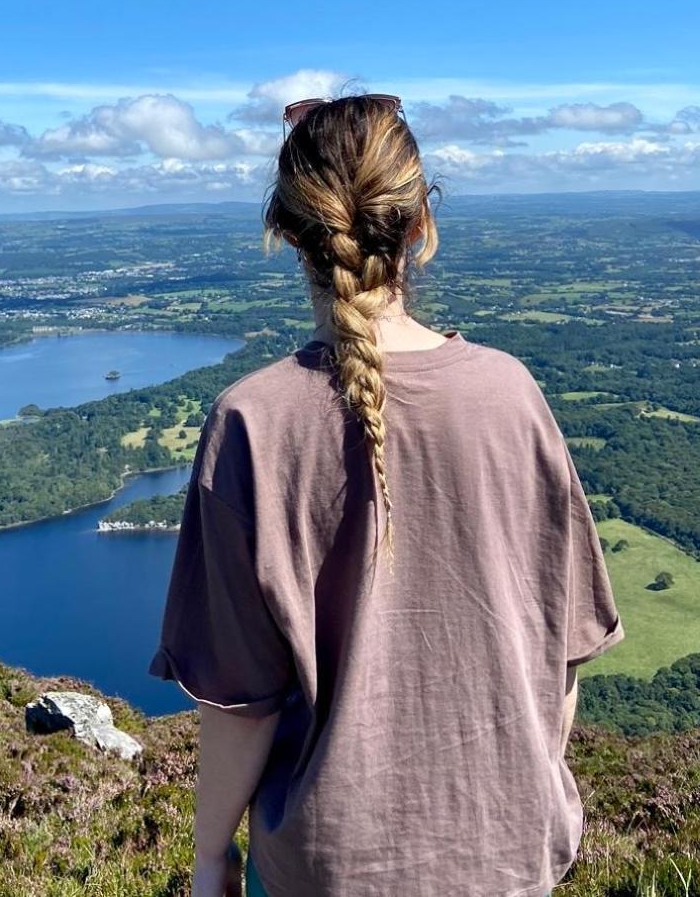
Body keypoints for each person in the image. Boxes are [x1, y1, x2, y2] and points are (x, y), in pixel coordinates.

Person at [147, 93, 625, 897]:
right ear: (420, 228)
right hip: (508, 860)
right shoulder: (512, 395)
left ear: (289, 236)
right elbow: (561, 659)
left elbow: (242, 702)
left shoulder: (252, 424)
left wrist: (209, 858)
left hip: (329, 868)